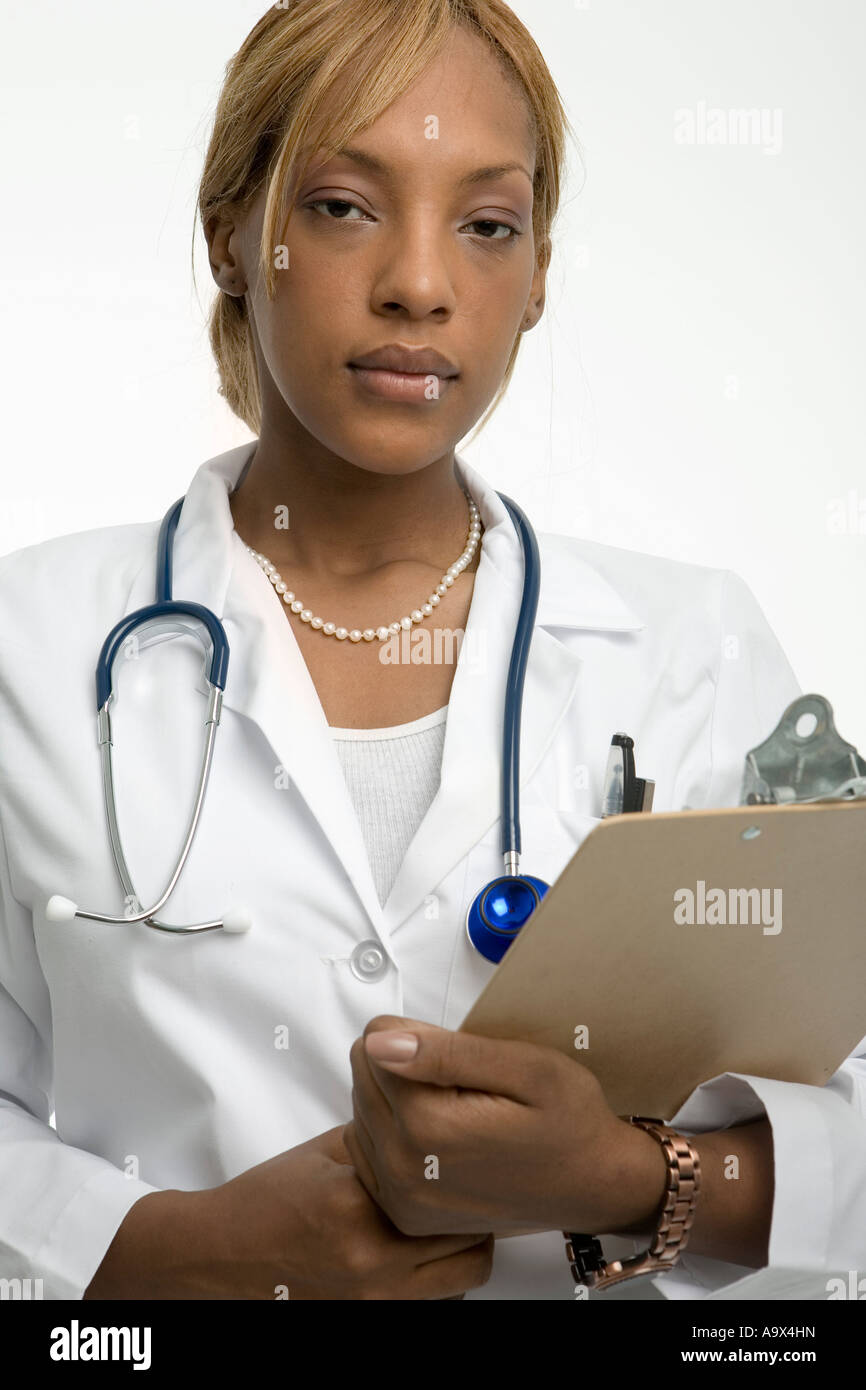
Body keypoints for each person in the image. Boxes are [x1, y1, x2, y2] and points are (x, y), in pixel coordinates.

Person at [1, 0, 863, 1303]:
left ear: (535, 275)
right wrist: (166, 1254)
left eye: (486, 223)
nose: (419, 281)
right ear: (234, 235)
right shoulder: (32, 645)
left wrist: (629, 1177)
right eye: (345, 206)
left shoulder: (687, 650)